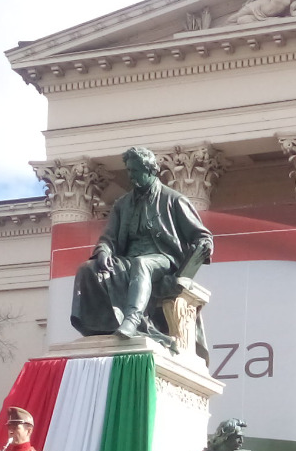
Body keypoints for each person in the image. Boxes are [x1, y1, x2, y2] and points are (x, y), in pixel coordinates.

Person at [69, 145, 214, 351]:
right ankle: (98, 327)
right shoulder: (122, 205)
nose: (131, 176)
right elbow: (108, 238)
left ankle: (133, 319)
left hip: (164, 260)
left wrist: (203, 246)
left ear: (150, 170)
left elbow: (202, 236)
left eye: (135, 171)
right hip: (128, 260)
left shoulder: (173, 200)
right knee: (87, 269)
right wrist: (104, 252)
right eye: (129, 171)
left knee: (141, 264)